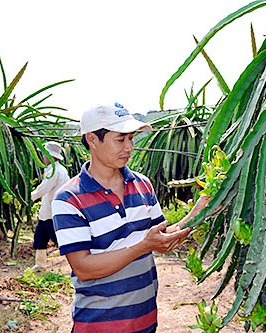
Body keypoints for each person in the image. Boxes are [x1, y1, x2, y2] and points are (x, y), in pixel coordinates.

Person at [52, 102, 210, 333]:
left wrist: (199, 212)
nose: (129, 147)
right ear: (93, 140)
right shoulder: (69, 198)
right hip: (99, 325)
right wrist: (143, 246)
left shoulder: (142, 184)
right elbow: (84, 268)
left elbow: (161, 238)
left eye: (131, 138)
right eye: (120, 139)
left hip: (145, 321)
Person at [30, 141, 70, 271]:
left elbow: (44, 189)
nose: (43, 157)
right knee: (40, 237)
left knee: (58, 239)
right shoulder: (60, 170)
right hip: (48, 211)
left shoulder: (54, 170)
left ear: (52, 156)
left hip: (52, 212)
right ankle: (40, 265)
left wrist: (29, 197)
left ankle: (74, 264)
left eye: (45, 155)